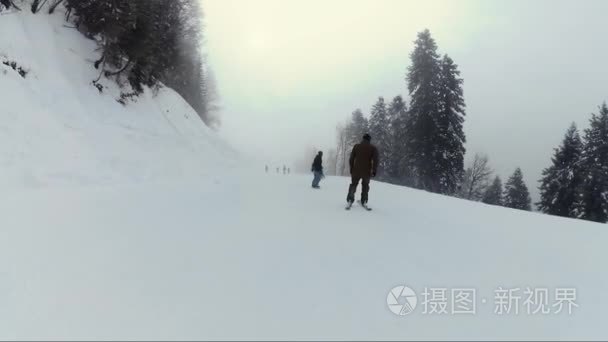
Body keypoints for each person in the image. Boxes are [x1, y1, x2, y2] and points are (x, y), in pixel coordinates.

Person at [346, 133, 379, 205]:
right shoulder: (373, 148)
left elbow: (351, 158)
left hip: (356, 170)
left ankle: (350, 199)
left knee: (353, 185)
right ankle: (364, 201)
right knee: (365, 186)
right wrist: (374, 170)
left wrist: (351, 168)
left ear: (363, 139)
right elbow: (376, 160)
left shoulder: (356, 146)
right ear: (369, 139)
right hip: (367, 172)